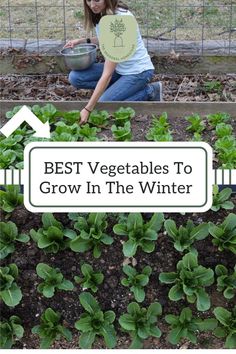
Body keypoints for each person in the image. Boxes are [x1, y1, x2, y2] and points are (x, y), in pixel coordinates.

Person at [64, 0, 162, 124]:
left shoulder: (120, 18)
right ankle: (120, 89)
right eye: (88, 0)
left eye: (97, 0)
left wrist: (87, 109)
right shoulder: (104, 13)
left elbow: (107, 74)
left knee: (104, 105)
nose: (92, 5)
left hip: (138, 72)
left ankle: (150, 91)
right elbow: (106, 38)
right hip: (120, 69)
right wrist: (82, 41)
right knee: (75, 77)